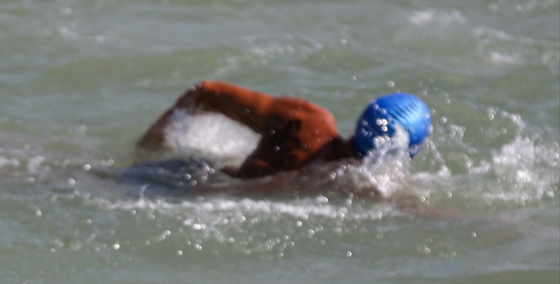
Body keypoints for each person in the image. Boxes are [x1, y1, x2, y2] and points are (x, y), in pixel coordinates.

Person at [135, 80, 433, 179]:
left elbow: (206, 92)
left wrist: (148, 147)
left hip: (175, 179)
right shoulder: (367, 189)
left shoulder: (305, 120)